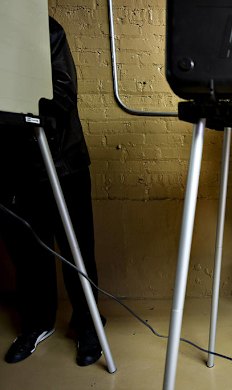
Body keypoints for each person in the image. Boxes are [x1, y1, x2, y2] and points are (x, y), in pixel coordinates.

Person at [0, 16, 103, 366]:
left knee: (77, 251)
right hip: (12, 170)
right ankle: (37, 323)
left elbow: (61, 94)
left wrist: (11, 105)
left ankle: (87, 324)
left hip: (61, 162)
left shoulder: (42, 28)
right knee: (28, 252)